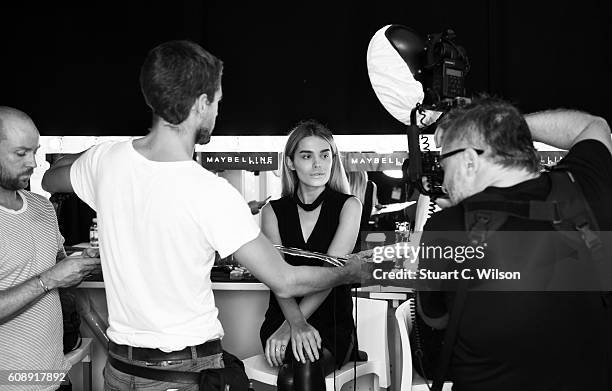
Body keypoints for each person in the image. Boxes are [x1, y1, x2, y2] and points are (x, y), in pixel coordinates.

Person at [41, 41, 368, 391]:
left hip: (120, 368)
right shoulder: (210, 192)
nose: (217, 111)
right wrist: (351, 270)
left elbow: (51, 176)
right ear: (201, 104)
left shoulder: (105, 161)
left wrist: (96, 155)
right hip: (185, 371)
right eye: (217, 101)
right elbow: (284, 280)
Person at [416, 97, 612, 390]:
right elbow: (594, 125)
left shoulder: (446, 229)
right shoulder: (586, 184)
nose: (444, 181)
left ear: (469, 161)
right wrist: (502, 124)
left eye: (445, 164)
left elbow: (434, 325)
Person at [0, 107, 101, 391]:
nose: (33, 162)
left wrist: (82, 263)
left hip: (53, 376)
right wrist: (48, 280)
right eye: (21, 153)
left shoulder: (42, 207)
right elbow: (49, 278)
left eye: (35, 151)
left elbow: (58, 268)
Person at [259, 120, 362, 390]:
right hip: (280, 316)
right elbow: (276, 276)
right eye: (307, 156)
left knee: (296, 372)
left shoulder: (349, 206)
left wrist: (293, 326)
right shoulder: (272, 212)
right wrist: (290, 324)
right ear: (291, 163)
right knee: (298, 368)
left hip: (333, 323)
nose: (318, 164)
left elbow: (331, 276)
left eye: (325, 155)